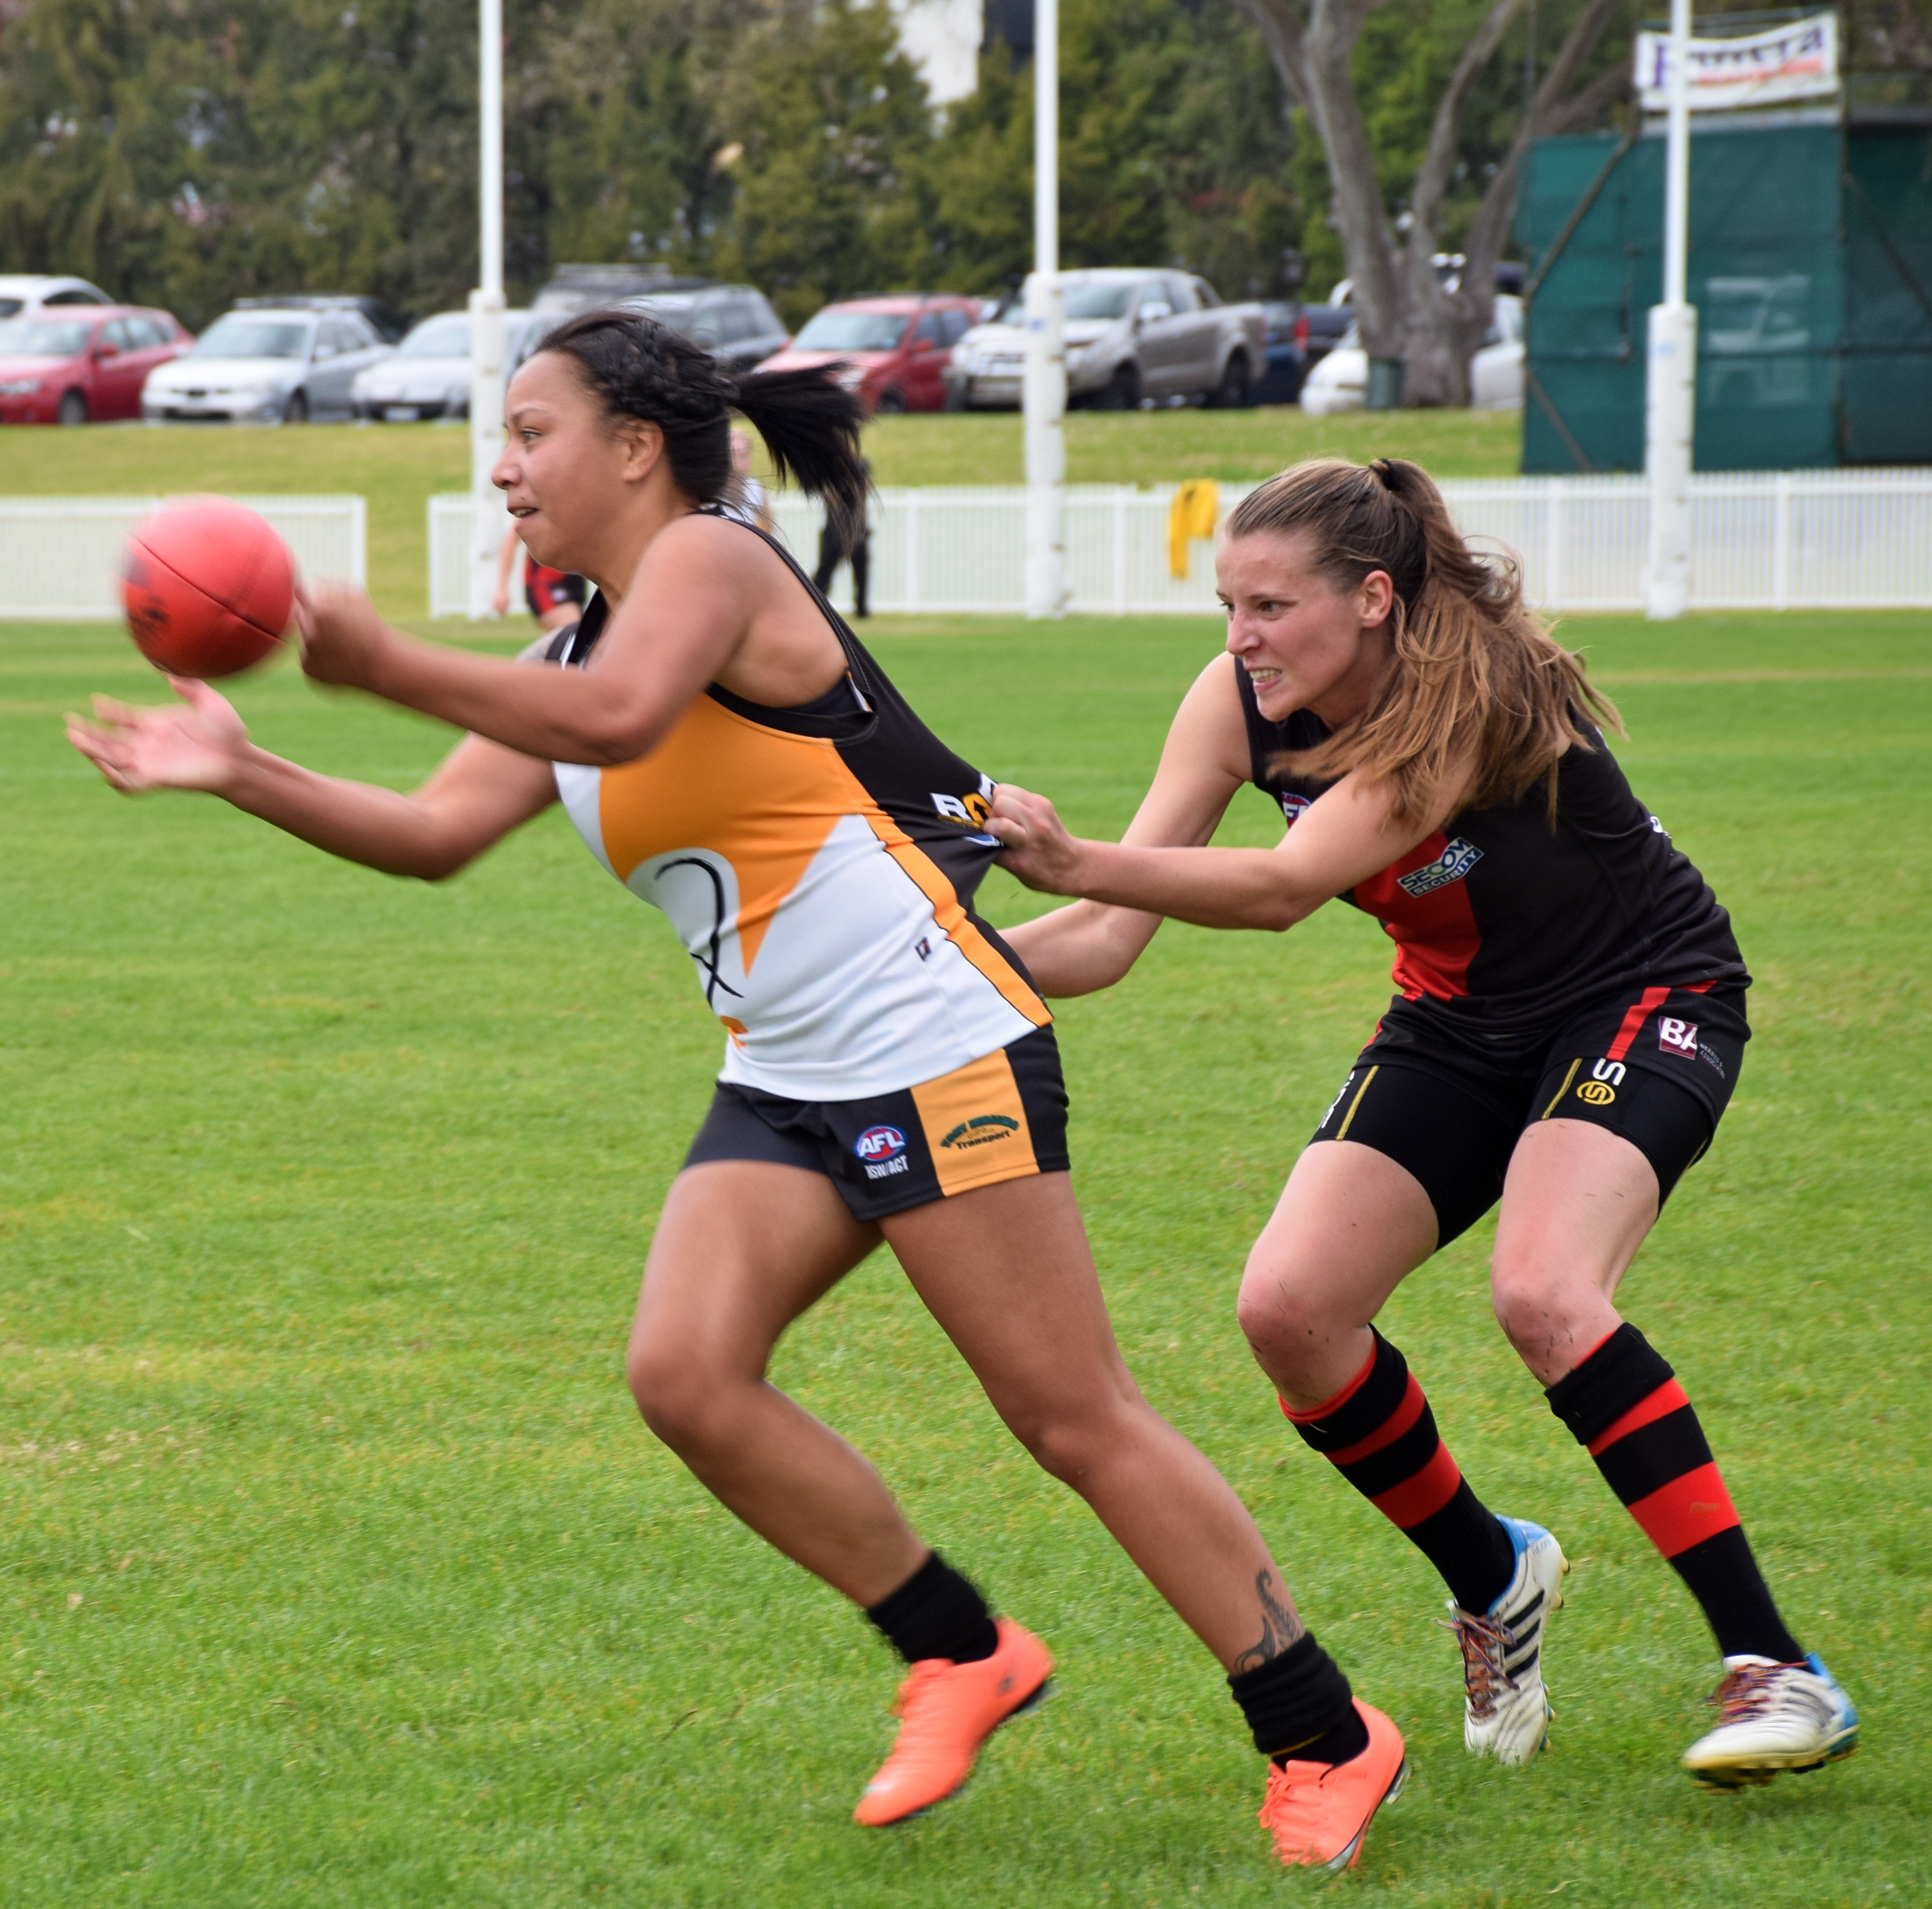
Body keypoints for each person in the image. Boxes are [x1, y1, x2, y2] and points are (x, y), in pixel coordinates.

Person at [66, 321, 1409, 1871]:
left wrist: (384, 664)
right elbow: (435, 834)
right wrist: (243, 769)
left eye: (531, 432)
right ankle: (960, 1649)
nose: (503, 469)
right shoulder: (566, 659)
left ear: (637, 446)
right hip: (785, 1067)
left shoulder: (712, 561)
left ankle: (1323, 1729)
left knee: (1068, 1412)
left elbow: (625, 721)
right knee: (686, 1374)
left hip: (932, 1039)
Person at [985, 457, 1858, 1792]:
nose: (1242, 638)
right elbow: (1106, 937)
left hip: (1639, 995)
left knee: (1545, 1293)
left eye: (1271, 606)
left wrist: (1070, 852)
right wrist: (924, 963)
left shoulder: (1468, 697)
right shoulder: (1236, 703)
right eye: (1228, 606)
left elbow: (1282, 887)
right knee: (1290, 1310)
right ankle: (1493, 1575)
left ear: (1374, 598)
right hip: (1457, 1020)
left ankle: (1776, 1665)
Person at [493, 521, 586, 631]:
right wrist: (502, 588)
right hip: (545, 582)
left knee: (580, 636)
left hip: (575, 580)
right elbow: (514, 535)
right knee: (573, 631)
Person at [813, 455, 870, 617]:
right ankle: (816, 603)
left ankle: (861, 609)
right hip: (835, 530)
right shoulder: (831, 467)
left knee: (861, 572)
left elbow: (865, 486)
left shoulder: (860, 464)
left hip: (857, 530)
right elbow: (829, 494)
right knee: (825, 571)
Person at [727, 426, 774, 532]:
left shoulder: (756, 490)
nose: (736, 464)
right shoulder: (709, 494)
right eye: (732, 455)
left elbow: (767, 531)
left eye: (742, 455)